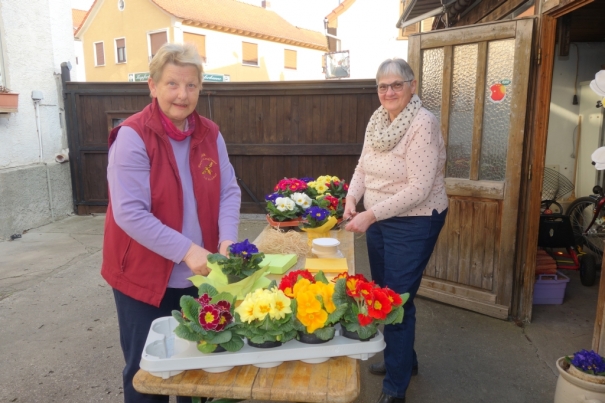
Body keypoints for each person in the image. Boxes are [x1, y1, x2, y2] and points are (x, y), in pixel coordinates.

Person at [101, 43, 241, 403]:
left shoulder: (210, 133)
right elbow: (129, 214)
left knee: (199, 370)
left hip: (202, 275)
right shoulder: (132, 137)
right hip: (145, 280)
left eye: (191, 85)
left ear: (200, 88)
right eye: (172, 84)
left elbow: (228, 191)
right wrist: (187, 249)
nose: (182, 95)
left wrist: (226, 241)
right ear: (152, 85)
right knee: (150, 375)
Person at [344, 58, 448, 403]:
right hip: (380, 217)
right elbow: (363, 165)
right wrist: (350, 199)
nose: (388, 92)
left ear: (412, 86)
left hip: (416, 219)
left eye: (396, 85)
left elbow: (419, 188)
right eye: (382, 86)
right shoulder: (377, 121)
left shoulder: (423, 123)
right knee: (391, 293)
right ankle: (404, 362)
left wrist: (370, 215)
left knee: (394, 301)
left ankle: (395, 388)